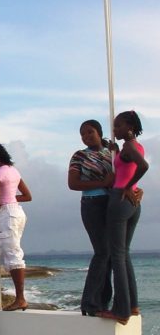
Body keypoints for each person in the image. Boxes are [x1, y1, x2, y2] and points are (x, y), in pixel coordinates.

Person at [100, 111, 149, 325]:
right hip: (132, 205)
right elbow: (126, 166)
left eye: (118, 126)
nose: (114, 130)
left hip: (119, 200)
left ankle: (121, 310)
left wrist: (128, 186)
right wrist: (115, 150)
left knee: (117, 256)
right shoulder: (133, 146)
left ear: (129, 126)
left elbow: (143, 166)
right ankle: (133, 305)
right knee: (124, 255)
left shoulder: (130, 147)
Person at [68, 119, 113, 316]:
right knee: (102, 252)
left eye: (90, 132)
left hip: (111, 204)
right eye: (83, 133)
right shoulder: (79, 156)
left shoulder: (110, 153)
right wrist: (102, 182)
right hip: (92, 204)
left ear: (100, 132)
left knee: (111, 254)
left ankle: (103, 303)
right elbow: (73, 183)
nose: (86, 136)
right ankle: (89, 304)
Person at [0, 142, 32, 311]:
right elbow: (27, 195)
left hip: (7, 214)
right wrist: (10, 199)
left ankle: (20, 299)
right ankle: (20, 298)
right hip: (17, 212)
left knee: (13, 255)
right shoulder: (14, 171)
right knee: (13, 252)